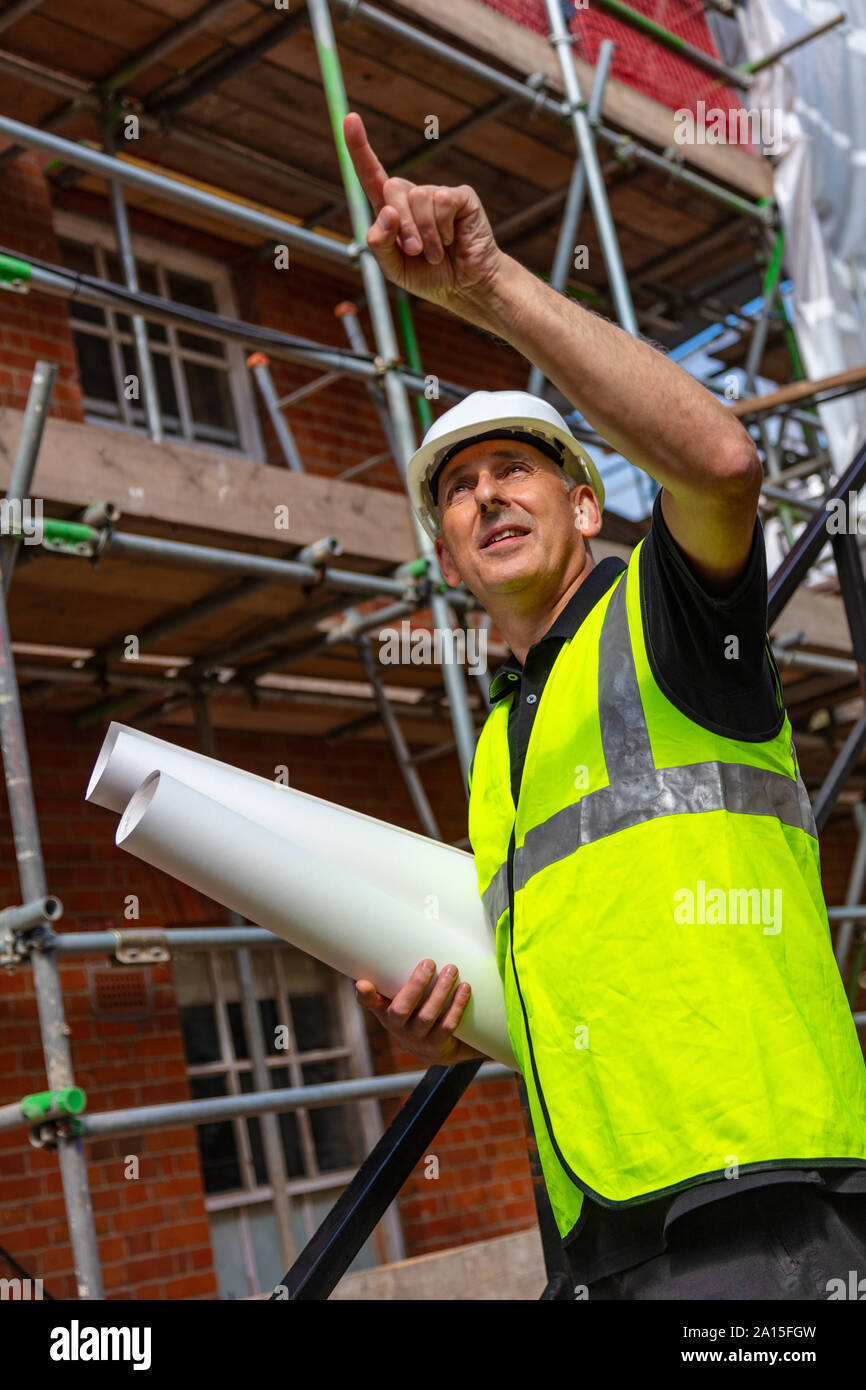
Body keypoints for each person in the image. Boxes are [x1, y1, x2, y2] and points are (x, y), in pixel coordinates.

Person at [345, 110, 866, 1300]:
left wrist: (485, 285)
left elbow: (722, 463)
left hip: (754, 1209)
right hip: (601, 1232)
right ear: (448, 558)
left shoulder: (668, 622)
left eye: (514, 470)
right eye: (459, 494)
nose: (485, 500)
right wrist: (443, 1017)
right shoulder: (500, 743)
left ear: (586, 508)